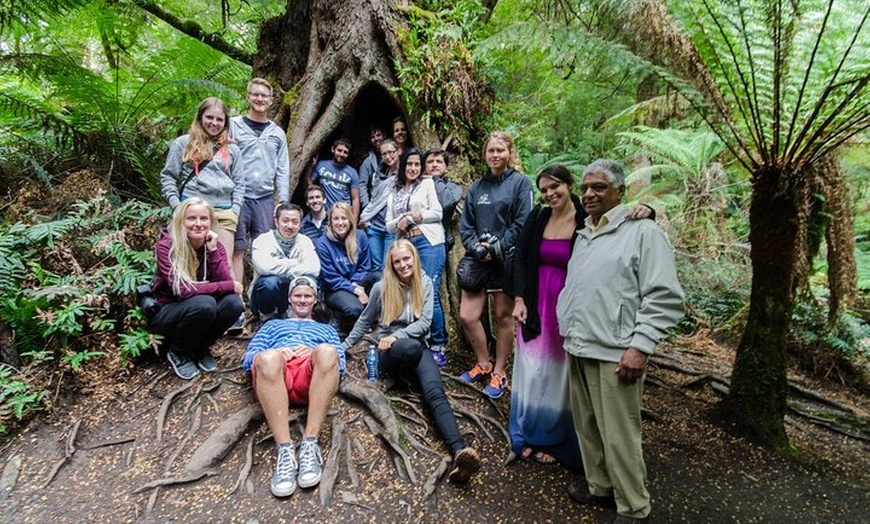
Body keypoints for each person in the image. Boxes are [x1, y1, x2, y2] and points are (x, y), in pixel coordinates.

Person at [556, 159, 684, 524]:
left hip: (617, 350)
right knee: (588, 426)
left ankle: (633, 507)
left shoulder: (642, 231)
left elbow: (663, 295)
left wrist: (641, 345)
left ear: (620, 191)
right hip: (580, 343)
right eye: (586, 187)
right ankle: (600, 487)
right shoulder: (585, 233)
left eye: (599, 187)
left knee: (620, 434)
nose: (590, 194)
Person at [506, 165, 654, 469]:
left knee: (562, 377)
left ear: (569, 184)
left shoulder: (588, 218)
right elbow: (520, 257)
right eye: (544, 189)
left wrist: (648, 210)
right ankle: (529, 434)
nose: (550, 194)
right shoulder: (538, 217)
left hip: (571, 308)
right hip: (535, 305)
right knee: (532, 371)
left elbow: (623, 225)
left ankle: (556, 440)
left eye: (555, 187)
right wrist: (519, 299)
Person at [342, 240, 480, 484]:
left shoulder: (424, 283)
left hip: (417, 348)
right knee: (410, 347)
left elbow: (425, 323)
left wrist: (399, 335)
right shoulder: (381, 288)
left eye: (407, 259)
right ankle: (403, 371)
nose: (403, 264)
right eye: (398, 261)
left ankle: (459, 451)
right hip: (389, 352)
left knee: (436, 393)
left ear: (414, 259)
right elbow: (365, 320)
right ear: (392, 265)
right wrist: (343, 348)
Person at [242, 276, 345, 497]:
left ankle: (309, 444)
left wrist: (313, 352)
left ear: (315, 299)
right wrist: (277, 353)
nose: (302, 300)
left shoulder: (326, 330)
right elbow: (249, 358)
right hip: (276, 375)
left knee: (327, 352)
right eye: (298, 295)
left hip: (311, 376)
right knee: (267, 357)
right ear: (289, 298)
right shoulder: (272, 325)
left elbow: (340, 362)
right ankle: (285, 451)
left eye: (307, 296)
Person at [457, 131, 533, 399]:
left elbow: (523, 222)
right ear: (485, 154)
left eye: (500, 150)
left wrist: (497, 248)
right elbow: (465, 225)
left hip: (507, 260)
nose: (495, 155)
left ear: (510, 153)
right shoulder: (477, 187)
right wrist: (476, 248)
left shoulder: (520, 184)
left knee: (502, 316)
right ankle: (483, 362)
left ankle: (499, 371)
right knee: (468, 315)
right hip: (478, 260)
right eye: (491, 151)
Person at [149, 198, 245, 380]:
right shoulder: (167, 246)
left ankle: (200, 349)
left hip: (199, 309)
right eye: (191, 218)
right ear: (181, 221)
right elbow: (182, 290)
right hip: (168, 312)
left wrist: (213, 251)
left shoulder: (215, 247)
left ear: (211, 222)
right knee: (205, 303)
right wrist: (229, 285)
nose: (198, 224)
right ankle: (178, 352)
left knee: (233, 304)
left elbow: (228, 289)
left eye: (204, 219)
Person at [229, 78, 291, 325]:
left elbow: (283, 169)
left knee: (264, 249)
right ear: (248, 96)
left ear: (271, 100)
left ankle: (260, 302)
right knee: (237, 250)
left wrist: (283, 201)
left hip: (265, 199)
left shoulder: (276, 133)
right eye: (255, 95)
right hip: (239, 196)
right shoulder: (233, 126)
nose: (259, 99)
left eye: (264, 96)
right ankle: (236, 308)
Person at [160, 97, 244, 268]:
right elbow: (168, 176)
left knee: (223, 264)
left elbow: (239, 183)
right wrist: (177, 206)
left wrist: (235, 210)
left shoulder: (232, 149)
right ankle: (192, 295)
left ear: (226, 122)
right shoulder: (183, 143)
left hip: (224, 211)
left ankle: (223, 295)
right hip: (191, 211)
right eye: (209, 117)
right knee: (189, 263)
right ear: (200, 117)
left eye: (219, 119)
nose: (214, 123)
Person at [385, 149, 448, 367]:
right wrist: (402, 221)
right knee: (411, 292)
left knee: (430, 287)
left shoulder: (427, 184)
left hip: (429, 241)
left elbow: (437, 213)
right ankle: (417, 336)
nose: (413, 169)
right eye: (409, 164)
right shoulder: (394, 192)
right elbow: (388, 223)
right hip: (407, 245)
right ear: (402, 166)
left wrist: (416, 216)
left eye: (416, 165)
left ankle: (438, 343)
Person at [250, 203, 320, 322]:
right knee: (270, 282)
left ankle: (295, 316)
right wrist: (295, 264)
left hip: (291, 297)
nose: (290, 226)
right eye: (285, 221)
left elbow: (314, 268)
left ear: (300, 224)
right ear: (276, 222)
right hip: (264, 297)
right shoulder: (263, 240)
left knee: (308, 280)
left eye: (294, 221)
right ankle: (267, 317)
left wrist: (279, 266)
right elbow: (264, 267)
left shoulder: (305, 241)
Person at [315, 202, 375, 332]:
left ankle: (376, 321)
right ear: (330, 221)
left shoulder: (360, 236)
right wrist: (356, 290)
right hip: (335, 288)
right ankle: (339, 319)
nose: (340, 223)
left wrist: (356, 284)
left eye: (344, 218)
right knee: (354, 309)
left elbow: (365, 267)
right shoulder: (322, 243)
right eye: (336, 218)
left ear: (350, 220)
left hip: (357, 282)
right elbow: (330, 277)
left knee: (380, 278)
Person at [359, 138, 400, 272]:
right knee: (376, 267)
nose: (388, 157)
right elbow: (375, 199)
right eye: (384, 154)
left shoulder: (405, 173)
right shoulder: (379, 173)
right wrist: (367, 219)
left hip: (391, 227)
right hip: (374, 226)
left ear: (398, 151)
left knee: (388, 266)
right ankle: (377, 293)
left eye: (391, 152)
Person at [423, 148, 464, 253]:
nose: (434, 164)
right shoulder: (418, 186)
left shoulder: (454, 188)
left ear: (446, 167)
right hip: (418, 237)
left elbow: (446, 203)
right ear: (424, 167)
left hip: (439, 239)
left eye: (439, 162)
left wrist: (436, 179)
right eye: (430, 162)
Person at [309, 138, 360, 219]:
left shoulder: (352, 172)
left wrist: (354, 219)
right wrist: (310, 167)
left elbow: (355, 198)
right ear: (333, 149)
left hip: (343, 213)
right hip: (324, 213)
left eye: (345, 152)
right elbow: (309, 185)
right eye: (339, 150)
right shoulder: (321, 165)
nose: (342, 154)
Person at [358, 125, 386, 208]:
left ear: (384, 135)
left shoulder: (392, 156)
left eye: (378, 135)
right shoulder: (368, 161)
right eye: (373, 137)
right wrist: (367, 205)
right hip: (375, 203)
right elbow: (362, 184)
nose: (376, 139)